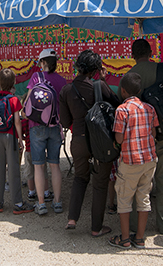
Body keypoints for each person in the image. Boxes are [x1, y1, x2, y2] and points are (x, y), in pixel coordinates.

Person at [121, 38, 163, 235]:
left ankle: (133, 226)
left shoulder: (128, 76)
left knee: (136, 182)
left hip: (137, 138)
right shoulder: (161, 70)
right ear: (151, 52)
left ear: (132, 55)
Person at [59, 49, 119, 236]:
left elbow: (63, 121)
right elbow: (116, 106)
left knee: (80, 177)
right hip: (100, 142)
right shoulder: (99, 86)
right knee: (100, 184)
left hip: (78, 140)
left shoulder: (67, 90)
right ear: (96, 69)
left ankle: (72, 218)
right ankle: (96, 228)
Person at [108, 72, 159, 249]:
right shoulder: (150, 108)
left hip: (130, 161)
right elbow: (153, 133)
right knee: (144, 197)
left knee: (124, 198)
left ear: (123, 91)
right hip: (149, 160)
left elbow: (120, 139)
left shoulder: (121, 110)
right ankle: (139, 237)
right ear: (139, 90)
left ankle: (124, 238)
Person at [0, 68, 34, 215]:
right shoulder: (13, 100)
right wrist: (20, 139)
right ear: (13, 82)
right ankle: (18, 203)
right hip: (10, 136)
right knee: (14, 170)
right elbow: (17, 121)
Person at [25, 48, 67, 216]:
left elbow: (29, 100)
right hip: (55, 126)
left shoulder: (36, 77)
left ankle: (41, 203)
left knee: (38, 165)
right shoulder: (62, 81)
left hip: (36, 126)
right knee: (55, 165)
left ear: (42, 62)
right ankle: (57, 202)